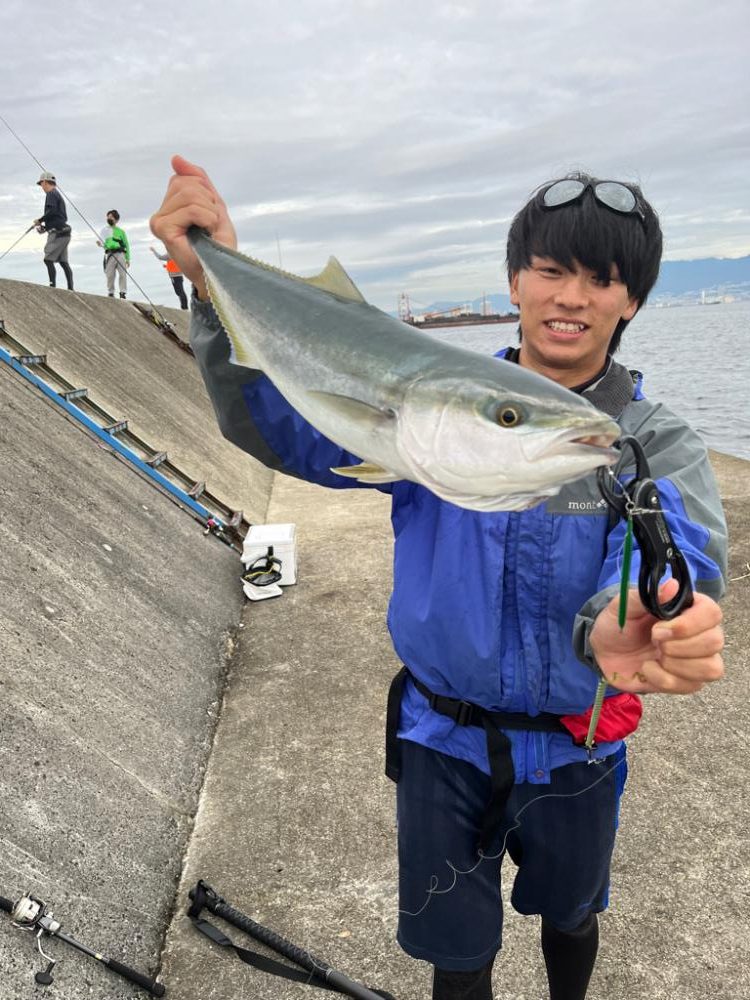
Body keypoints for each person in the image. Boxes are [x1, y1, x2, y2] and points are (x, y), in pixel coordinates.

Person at [150, 158, 727, 1000]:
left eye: (601, 280)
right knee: (455, 950)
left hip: (581, 740)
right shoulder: (421, 419)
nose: (571, 297)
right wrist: (210, 285)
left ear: (630, 300)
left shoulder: (645, 437)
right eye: (551, 270)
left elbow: (676, 540)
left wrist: (623, 615)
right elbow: (276, 424)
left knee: (572, 913)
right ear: (516, 281)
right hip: (442, 738)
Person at [33, 171, 73, 290]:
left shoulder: (51, 194)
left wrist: (40, 220)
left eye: (41, 184)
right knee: (63, 262)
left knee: (48, 259)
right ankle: (71, 288)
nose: (41, 187)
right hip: (64, 232)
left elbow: (52, 212)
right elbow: (57, 217)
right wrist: (45, 228)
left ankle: (52, 287)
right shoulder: (57, 194)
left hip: (57, 233)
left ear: (45, 182)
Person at [97, 209, 130, 298]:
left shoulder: (121, 232)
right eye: (108, 217)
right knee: (110, 274)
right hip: (110, 254)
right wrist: (100, 244)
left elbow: (127, 245)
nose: (109, 218)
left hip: (121, 254)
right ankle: (111, 292)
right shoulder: (104, 230)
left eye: (111, 217)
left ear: (116, 219)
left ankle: (123, 292)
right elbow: (101, 241)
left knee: (122, 273)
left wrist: (128, 258)